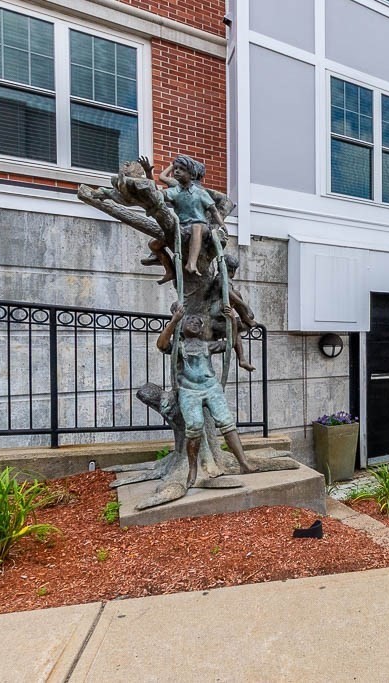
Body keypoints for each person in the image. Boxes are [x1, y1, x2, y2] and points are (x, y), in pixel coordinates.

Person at [156, 303, 252, 487]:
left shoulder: (206, 346)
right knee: (194, 426)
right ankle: (193, 469)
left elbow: (231, 343)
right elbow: (161, 345)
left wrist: (232, 319)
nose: (194, 322)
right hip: (189, 391)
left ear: (201, 330)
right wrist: (174, 320)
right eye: (189, 320)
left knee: (226, 422)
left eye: (198, 322)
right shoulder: (179, 346)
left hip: (211, 388)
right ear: (181, 327)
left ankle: (243, 462)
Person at [157, 155, 227, 277]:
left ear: (191, 174)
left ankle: (191, 263)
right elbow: (158, 195)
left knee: (196, 227)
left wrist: (222, 225)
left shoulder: (200, 192)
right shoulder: (174, 191)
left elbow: (214, 210)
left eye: (181, 169)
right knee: (153, 244)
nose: (177, 171)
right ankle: (168, 269)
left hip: (201, 227)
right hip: (182, 227)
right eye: (175, 168)